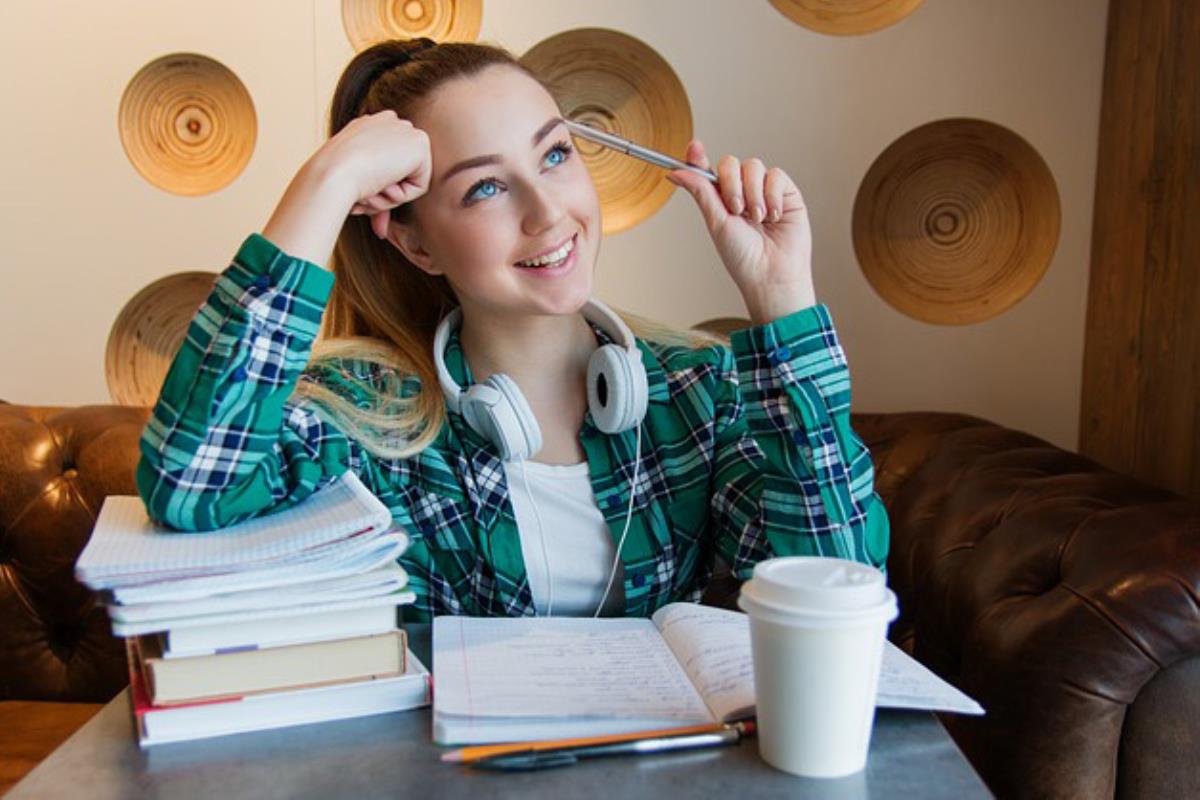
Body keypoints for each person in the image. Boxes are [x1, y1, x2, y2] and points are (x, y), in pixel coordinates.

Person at [136, 37, 889, 623]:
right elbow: (193, 486)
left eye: (555, 154)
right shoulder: (363, 418)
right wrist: (328, 183)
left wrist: (782, 296)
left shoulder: (699, 392)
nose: (549, 212)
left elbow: (840, 590)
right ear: (417, 244)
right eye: (486, 188)